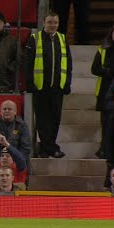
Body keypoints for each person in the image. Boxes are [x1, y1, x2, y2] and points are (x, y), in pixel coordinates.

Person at [24, 10, 72, 159]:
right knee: (43, 119)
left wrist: (67, 83)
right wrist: (30, 82)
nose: (53, 25)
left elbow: (68, 63)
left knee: (55, 118)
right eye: (50, 22)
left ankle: (46, 147)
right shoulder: (34, 38)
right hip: (40, 87)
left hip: (58, 87)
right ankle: (51, 148)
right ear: (44, 23)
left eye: (55, 22)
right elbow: (27, 63)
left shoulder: (63, 39)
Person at [90, 23, 114, 159]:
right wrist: (112, 72)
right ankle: (104, 149)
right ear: (111, 34)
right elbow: (95, 69)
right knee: (105, 123)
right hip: (105, 92)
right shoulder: (103, 49)